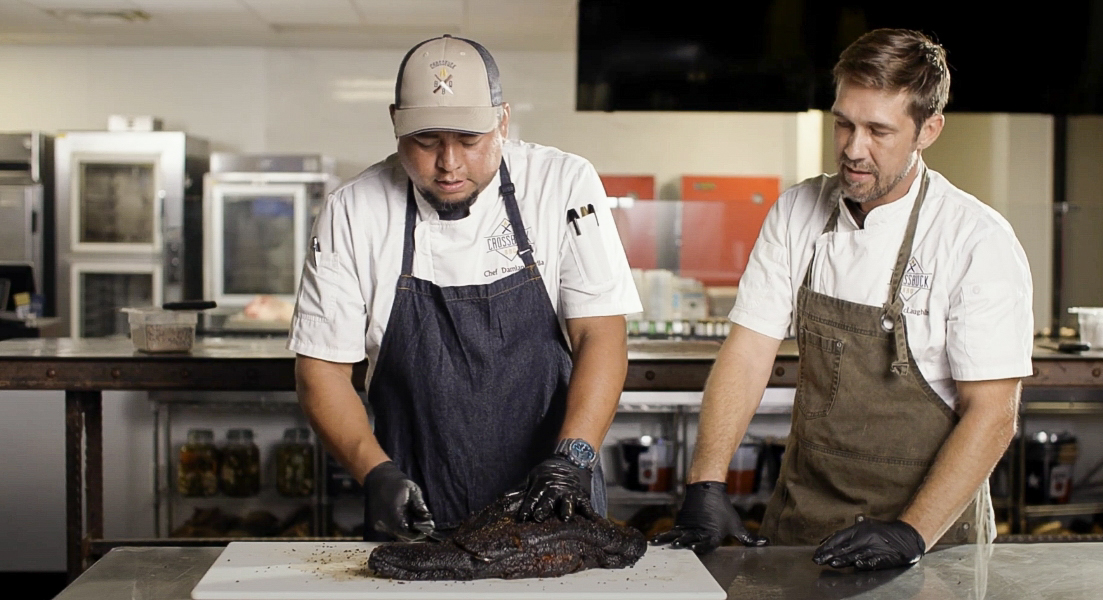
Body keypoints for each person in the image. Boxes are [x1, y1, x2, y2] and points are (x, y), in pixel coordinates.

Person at [653, 28, 1033, 571]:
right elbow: (748, 351)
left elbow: (993, 413)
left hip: (932, 537)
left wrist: (910, 533)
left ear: (929, 130)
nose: (854, 149)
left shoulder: (976, 240)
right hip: (805, 516)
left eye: (879, 131)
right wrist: (706, 481)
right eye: (844, 124)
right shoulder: (797, 211)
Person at [288, 34, 642, 541]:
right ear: (395, 122)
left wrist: (574, 459)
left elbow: (601, 336)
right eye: (427, 141)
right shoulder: (354, 211)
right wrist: (375, 473)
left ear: (502, 120)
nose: (449, 162)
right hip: (415, 503)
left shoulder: (562, 185)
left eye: (470, 140)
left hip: (552, 498)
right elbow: (320, 370)